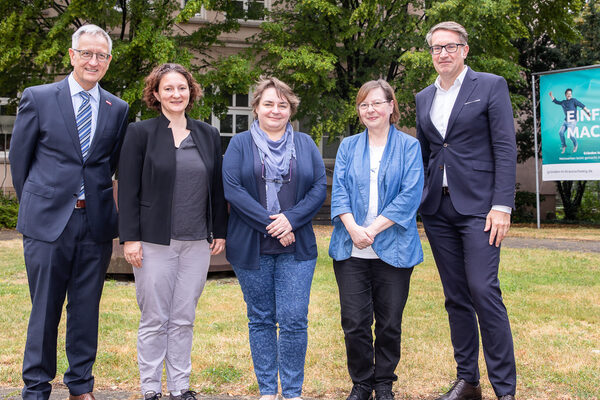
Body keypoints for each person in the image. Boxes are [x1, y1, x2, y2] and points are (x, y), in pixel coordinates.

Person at [9, 24, 129, 400]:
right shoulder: (39, 97)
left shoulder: (117, 108)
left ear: (108, 61)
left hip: (94, 222)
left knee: (86, 309)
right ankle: (36, 387)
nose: (93, 61)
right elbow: (20, 159)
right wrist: (41, 198)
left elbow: (109, 164)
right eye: (87, 53)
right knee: (44, 309)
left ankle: (81, 385)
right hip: (47, 223)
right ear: (72, 55)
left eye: (101, 55)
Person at [415, 21, 518, 400]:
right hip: (438, 210)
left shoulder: (490, 86)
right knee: (455, 295)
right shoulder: (423, 97)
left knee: (482, 289)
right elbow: (428, 152)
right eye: (436, 48)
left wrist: (502, 205)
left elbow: (506, 148)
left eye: (450, 47)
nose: (443, 53)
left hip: (480, 208)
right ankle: (468, 381)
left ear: (465, 50)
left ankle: (505, 389)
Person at [118, 63, 227, 400]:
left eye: (182, 88)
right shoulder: (140, 133)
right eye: (168, 88)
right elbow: (128, 188)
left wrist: (218, 230)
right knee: (154, 318)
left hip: (196, 243)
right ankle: (150, 388)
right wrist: (130, 238)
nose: (176, 94)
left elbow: (217, 186)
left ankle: (180, 388)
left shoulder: (207, 134)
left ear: (191, 92)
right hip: (153, 242)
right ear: (156, 94)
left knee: (183, 318)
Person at [222, 77, 327, 400]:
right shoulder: (239, 144)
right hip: (252, 246)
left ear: (291, 109)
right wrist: (274, 225)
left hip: (297, 248)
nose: (275, 110)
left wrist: (291, 221)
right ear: (256, 108)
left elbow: (319, 187)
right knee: (261, 319)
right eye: (268, 103)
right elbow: (233, 190)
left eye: (282, 104)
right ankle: (268, 390)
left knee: (294, 320)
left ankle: (292, 392)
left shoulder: (306, 144)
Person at [329, 79, 424, 400]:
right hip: (350, 247)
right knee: (354, 322)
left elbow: (410, 196)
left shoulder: (409, 147)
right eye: (364, 104)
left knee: (389, 323)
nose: (371, 109)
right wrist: (354, 228)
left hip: (394, 247)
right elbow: (339, 190)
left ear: (391, 106)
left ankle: (383, 382)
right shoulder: (348, 146)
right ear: (359, 110)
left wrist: (372, 230)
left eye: (378, 103)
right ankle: (361, 382)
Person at [549, 89, 591, 153]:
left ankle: (575, 144)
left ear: (571, 95)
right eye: (568, 94)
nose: (569, 95)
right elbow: (556, 101)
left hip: (572, 121)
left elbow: (582, 105)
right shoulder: (563, 102)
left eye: (570, 93)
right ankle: (564, 146)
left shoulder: (574, 100)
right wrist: (551, 96)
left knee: (571, 135)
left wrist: (587, 112)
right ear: (565, 95)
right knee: (560, 132)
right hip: (566, 121)